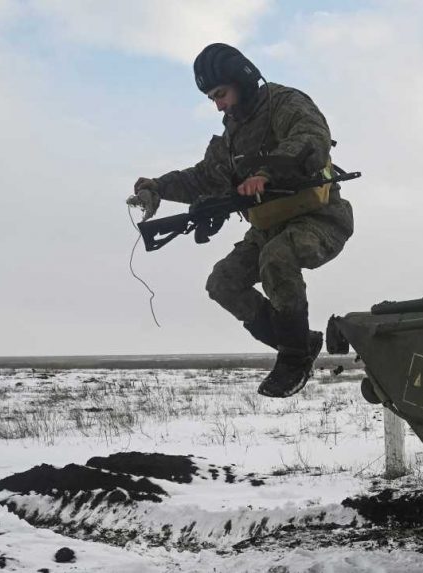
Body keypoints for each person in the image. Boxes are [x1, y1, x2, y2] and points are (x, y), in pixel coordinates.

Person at [127, 43, 353, 398]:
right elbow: (203, 177)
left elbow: (312, 139)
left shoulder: (285, 103)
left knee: (277, 258)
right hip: (268, 227)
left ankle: (293, 359)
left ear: (242, 82)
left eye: (221, 94)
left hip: (319, 218)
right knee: (222, 283)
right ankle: (299, 342)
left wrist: (267, 171)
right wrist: (158, 187)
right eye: (212, 99)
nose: (218, 104)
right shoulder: (232, 136)